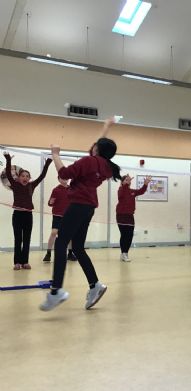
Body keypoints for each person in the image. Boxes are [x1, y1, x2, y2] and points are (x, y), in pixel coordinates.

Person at [40, 118, 121, 311]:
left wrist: (55, 154)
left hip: (77, 205)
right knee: (77, 247)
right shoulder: (105, 166)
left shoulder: (89, 161)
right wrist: (106, 127)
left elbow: (64, 173)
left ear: (97, 149)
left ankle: (56, 291)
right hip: (88, 208)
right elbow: (99, 148)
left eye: (95, 146)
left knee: (61, 242)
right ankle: (95, 285)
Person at [3, 152, 52, 270]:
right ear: (18, 177)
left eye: (27, 176)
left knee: (26, 239)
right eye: (23, 176)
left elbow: (42, 176)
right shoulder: (15, 185)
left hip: (28, 216)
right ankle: (17, 262)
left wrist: (47, 163)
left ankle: (25, 261)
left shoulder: (32, 185)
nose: (25, 178)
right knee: (18, 239)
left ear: (29, 178)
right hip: (17, 215)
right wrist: (8, 159)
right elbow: (8, 174)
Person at [116, 174, 151, 262]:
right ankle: (123, 253)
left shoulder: (132, 191)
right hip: (121, 215)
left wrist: (145, 184)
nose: (128, 181)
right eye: (126, 180)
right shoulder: (120, 190)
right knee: (124, 235)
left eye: (129, 180)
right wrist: (125, 184)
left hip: (130, 216)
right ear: (122, 182)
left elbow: (141, 191)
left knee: (130, 235)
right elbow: (121, 195)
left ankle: (125, 253)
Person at [43, 177, 77, 263]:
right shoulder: (56, 190)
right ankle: (48, 253)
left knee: (69, 235)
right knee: (54, 233)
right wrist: (51, 202)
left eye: (66, 177)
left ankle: (70, 253)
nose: (64, 179)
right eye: (62, 178)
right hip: (57, 216)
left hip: (69, 216)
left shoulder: (72, 189)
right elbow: (50, 203)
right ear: (59, 179)